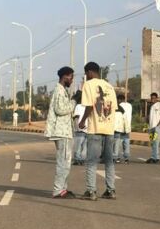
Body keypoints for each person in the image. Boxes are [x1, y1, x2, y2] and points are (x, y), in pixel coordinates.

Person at [79, 61, 118, 200]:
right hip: (109, 128)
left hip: (95, 128)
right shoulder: (109, 86)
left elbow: (89, 106)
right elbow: (113, 108)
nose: (86, 76)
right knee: (109, 161)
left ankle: (91, 191)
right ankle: (111, 190)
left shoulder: (88, 85)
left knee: (91, 161)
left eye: (86, 73)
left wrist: (82, 120)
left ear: (89, 72)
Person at [45, 66, 76, 198]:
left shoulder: (62, 90)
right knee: (63, 162)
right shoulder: (59, 90)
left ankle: (63, 188)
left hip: (65, 131)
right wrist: (74, 101)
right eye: (71, 77)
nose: (72, 80)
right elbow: (60, 109)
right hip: (61, 132)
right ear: (65, 76)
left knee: (66, 162)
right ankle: (58, 190)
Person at [147, 92, 160, 164]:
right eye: (151, 98)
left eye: (154, 98)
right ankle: (153, 157)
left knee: (156, 142)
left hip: (156, 128)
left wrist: (158, 125)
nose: (152, 99)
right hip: (151, 128)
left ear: (157, 98)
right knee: (152, 143)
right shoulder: (151, 106)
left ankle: (157, 158)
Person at [72, 90, 87, 165]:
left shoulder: (78, 106)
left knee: (78, 146)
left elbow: (76, 117)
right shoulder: (87, 107)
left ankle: (77, 159)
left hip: (79, 129)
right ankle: (83, 159)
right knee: (84, 146)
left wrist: (75, 127)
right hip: (87, 129)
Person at [118, 94, 132, 163]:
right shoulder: (129, 105)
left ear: (119, 100)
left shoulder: (119, 106)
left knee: (118, 143)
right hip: (128, 126)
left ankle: (117, 157)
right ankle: (126, 158)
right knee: (126, 142)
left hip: (120, 126)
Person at [113, 97, 125, 163]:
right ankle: (115, 157)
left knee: (111, 143)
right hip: (118, 129)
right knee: (117, 144)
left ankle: (112, 156)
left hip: (112, 129)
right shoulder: (121, 110)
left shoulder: (112, 109)